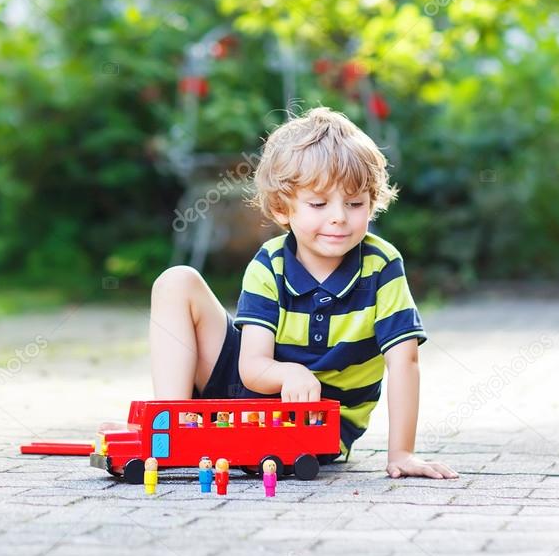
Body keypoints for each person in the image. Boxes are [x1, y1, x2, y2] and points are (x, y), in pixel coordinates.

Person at [149, 107, 458, 480]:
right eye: (318, 204)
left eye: (355, 203)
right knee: (176, 281)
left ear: (372, 203)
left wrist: (402, 452)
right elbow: (251, 368)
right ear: (283, 208)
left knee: (286, 438)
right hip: (252, 388)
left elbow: (404, 361)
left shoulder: (382, 265)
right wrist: (288, 374)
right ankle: (168, 429)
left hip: (318, 420)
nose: (339, 217)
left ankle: (195, 437)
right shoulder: (269, 264)